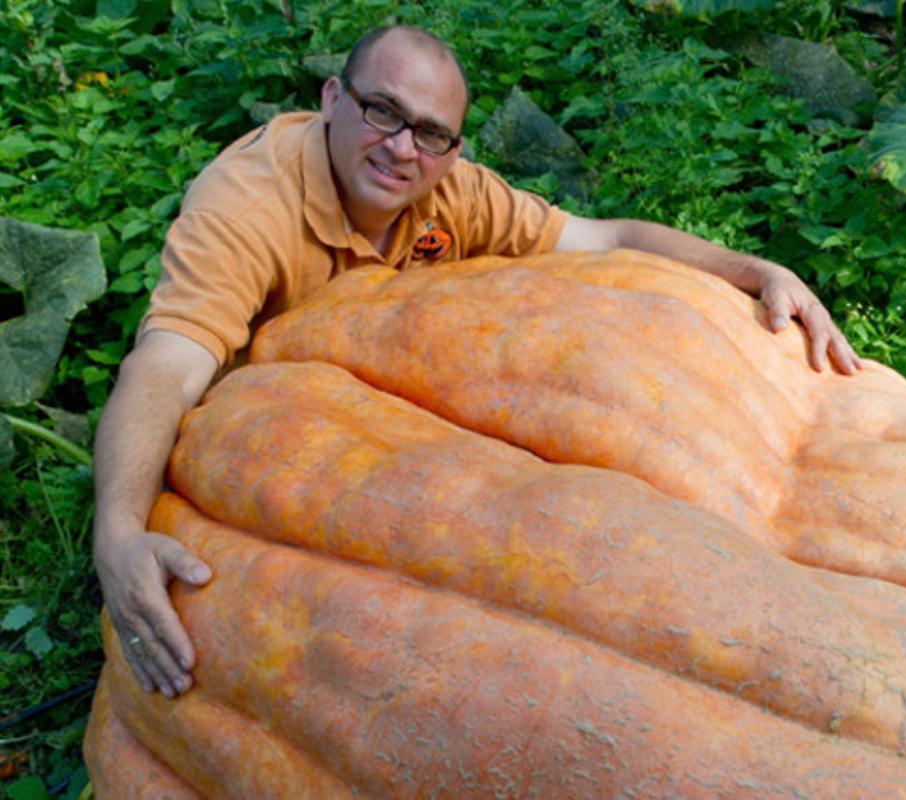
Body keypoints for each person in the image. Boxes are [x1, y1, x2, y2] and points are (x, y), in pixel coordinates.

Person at [93, 25, 862, 700]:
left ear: (454, 149)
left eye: (431, 133)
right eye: (382, 111)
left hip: (388, 419)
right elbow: (167, 366)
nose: (403, 148)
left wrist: (753, 270)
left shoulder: (451, 192)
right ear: (331, 98)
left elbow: (608, 238)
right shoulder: (249, 205)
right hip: (264, 459)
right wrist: (119, 534)